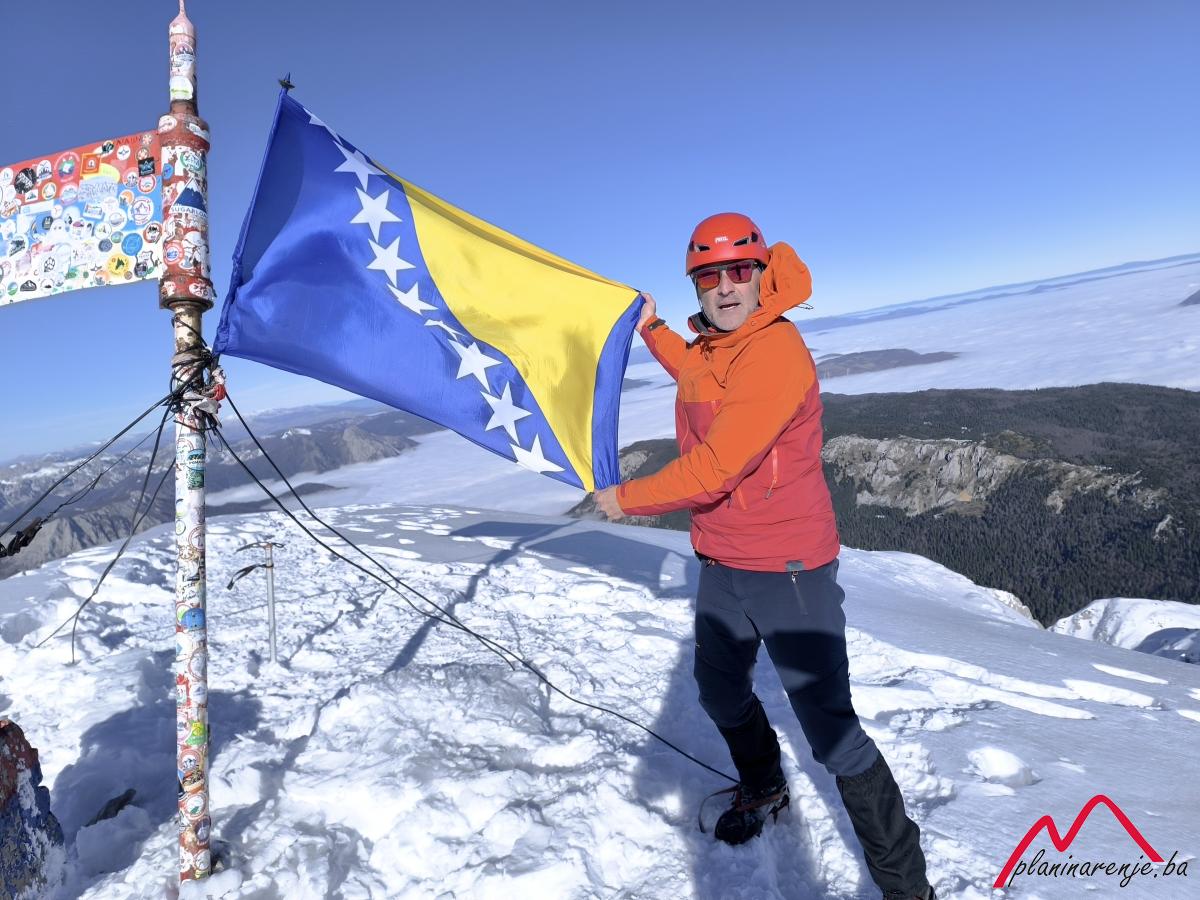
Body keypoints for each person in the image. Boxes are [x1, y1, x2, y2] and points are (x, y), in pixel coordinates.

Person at [592, 213, 935, 900]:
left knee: (834, 737)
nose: (724, 286)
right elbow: (695, 370)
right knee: (719, 691)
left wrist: (624, 498)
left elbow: (715, 469)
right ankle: (765, 784)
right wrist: (652, 330)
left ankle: (909, 891)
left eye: (738, 271)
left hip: (789, 570)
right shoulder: (717, 346)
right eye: (708, 276)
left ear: (761, 274)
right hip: (723, 560)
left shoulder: (774, 349)